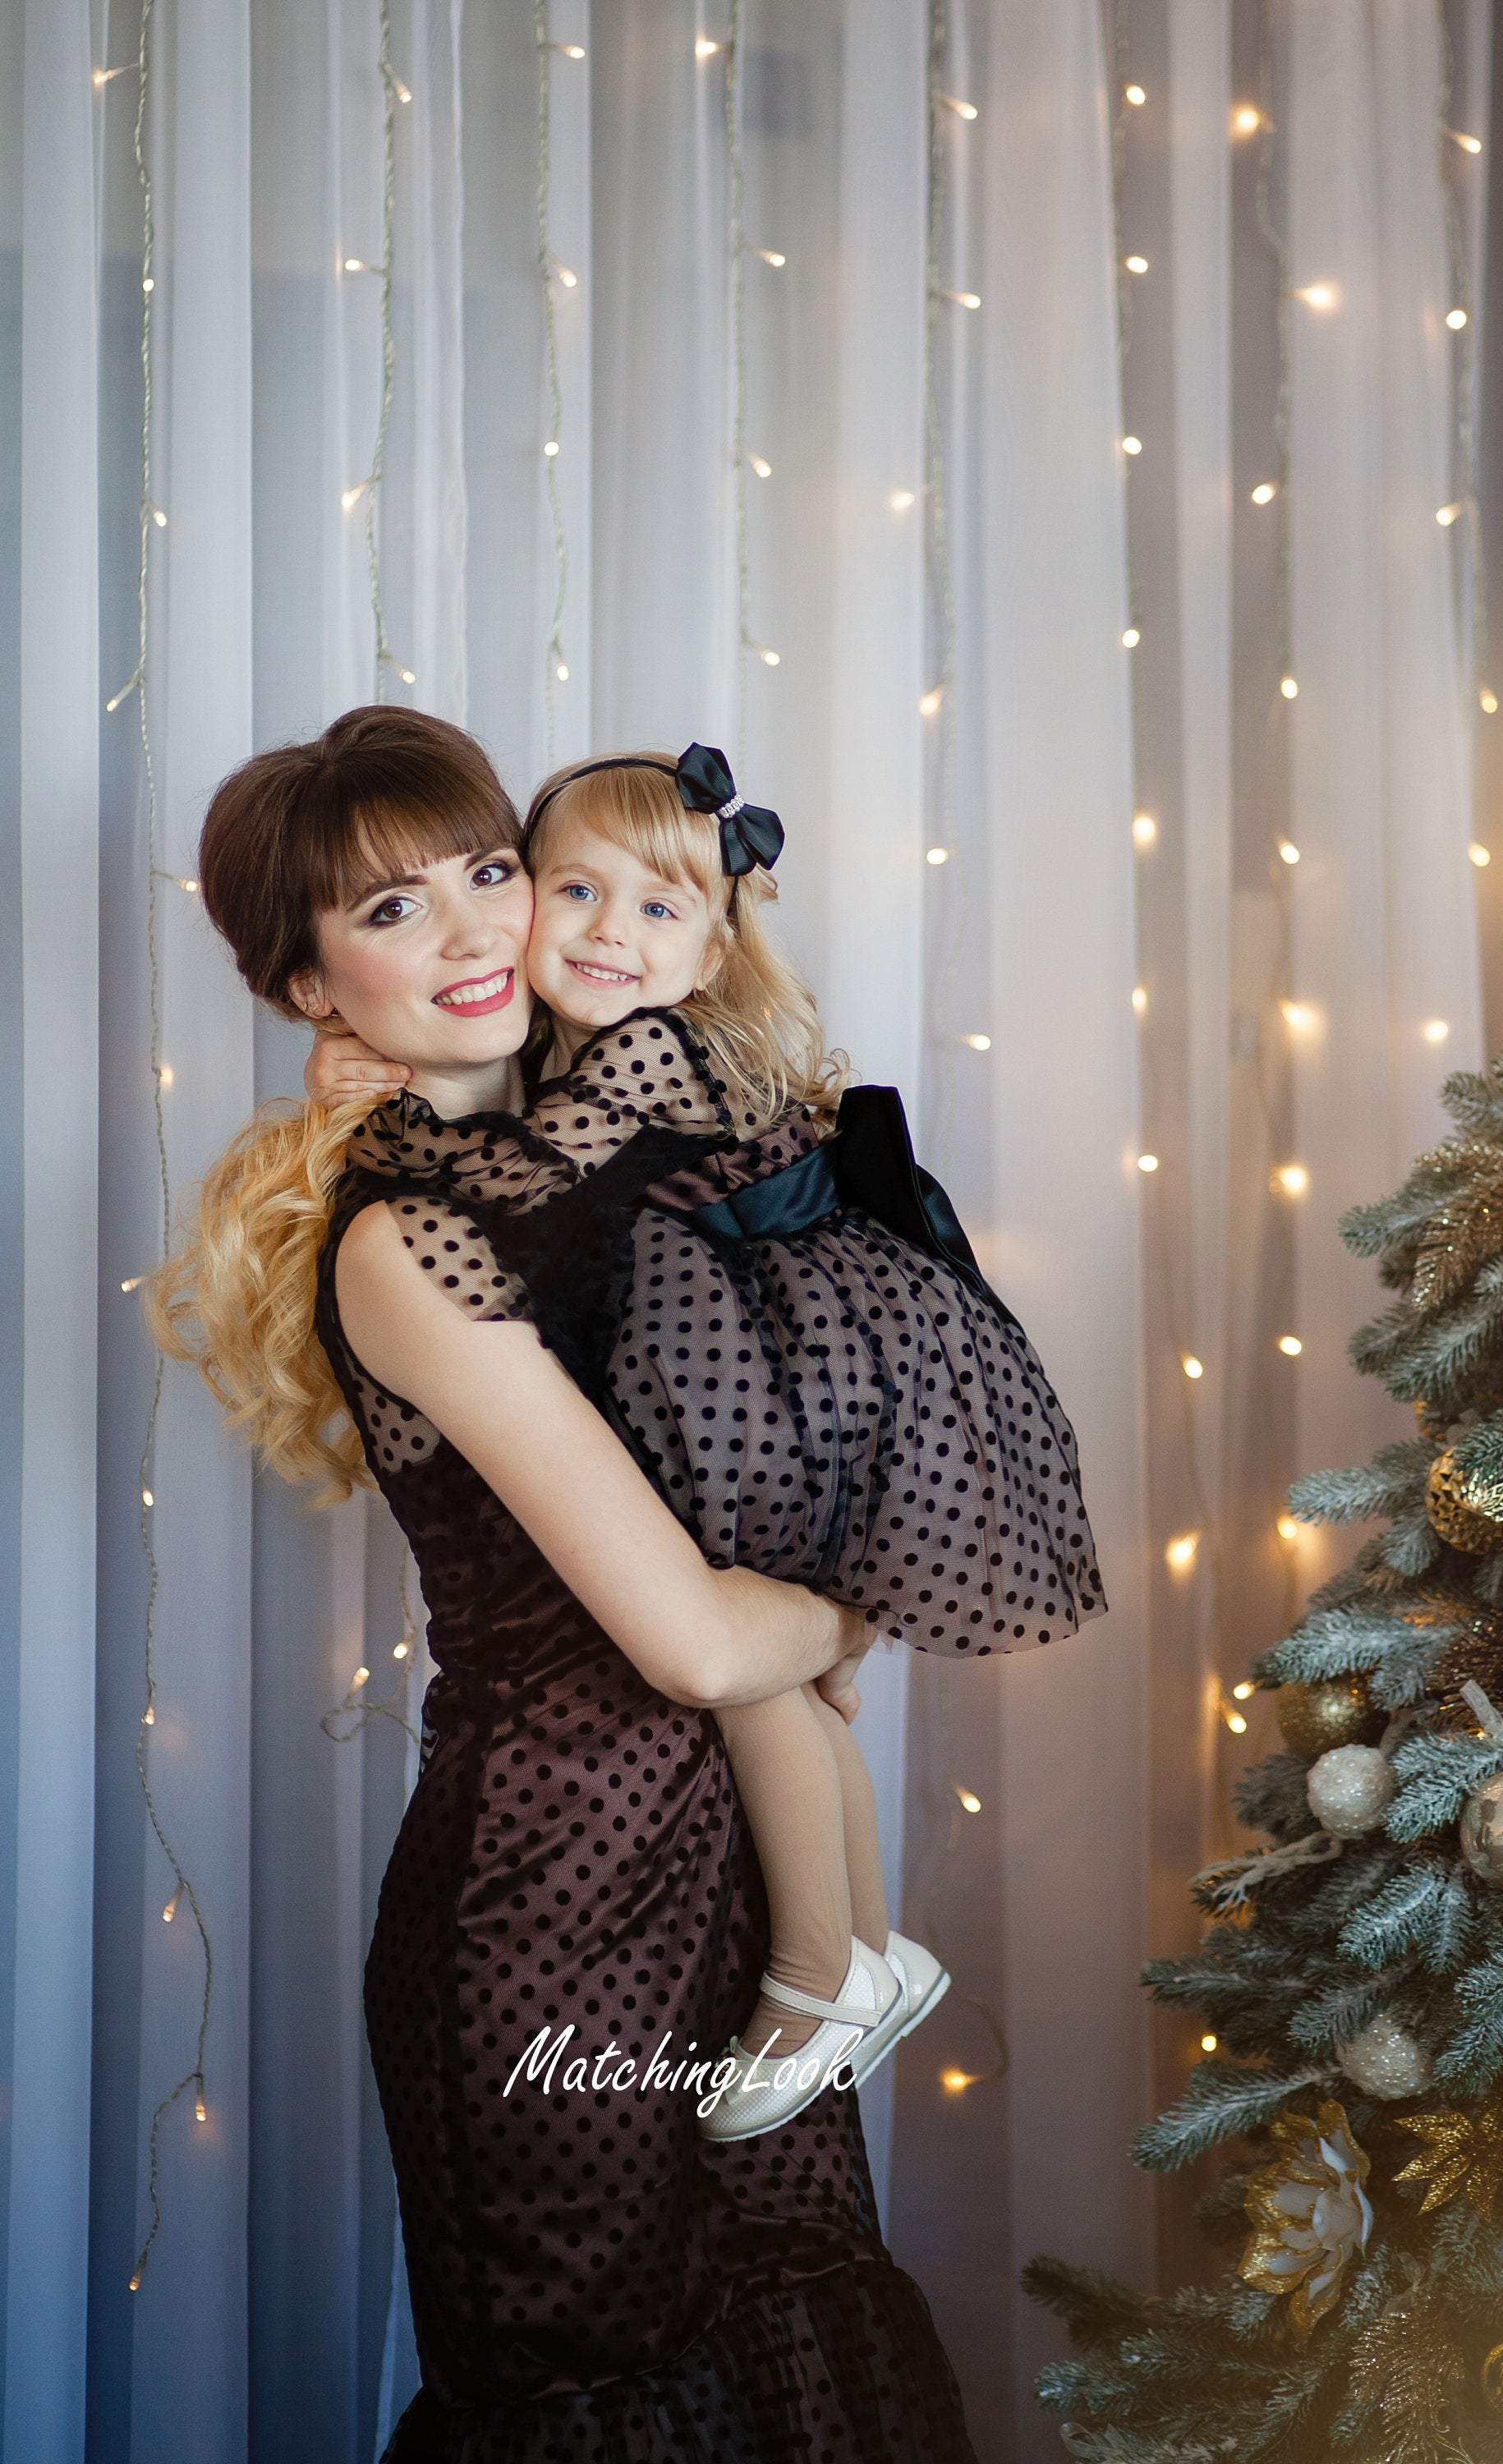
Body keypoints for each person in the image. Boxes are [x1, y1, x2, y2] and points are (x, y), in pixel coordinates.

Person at [151, 706, 981, 2463]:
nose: (473, 933)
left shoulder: (582, 1144)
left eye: (485, 872)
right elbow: (690, 1638)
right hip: (554, 1914)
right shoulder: (406, 1243)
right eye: (390, 914)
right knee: (611, 2393)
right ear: (308, 984)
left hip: (735, 1882)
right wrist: (861, 1594)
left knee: (789, 2346)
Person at [301, 735, 1109, 2142]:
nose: (593, 933)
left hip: (782, 1387)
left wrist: (409, 1126)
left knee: (760, 1674)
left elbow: (539, 1185)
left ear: (719, 940)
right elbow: (712, 1640)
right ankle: (854, 1952)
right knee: (766, 1678)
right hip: (569, 1860)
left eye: (487, 877)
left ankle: (824, 1964)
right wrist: (837, 1618)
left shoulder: (629, 1069)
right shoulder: (430, 1221)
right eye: (572, 891)